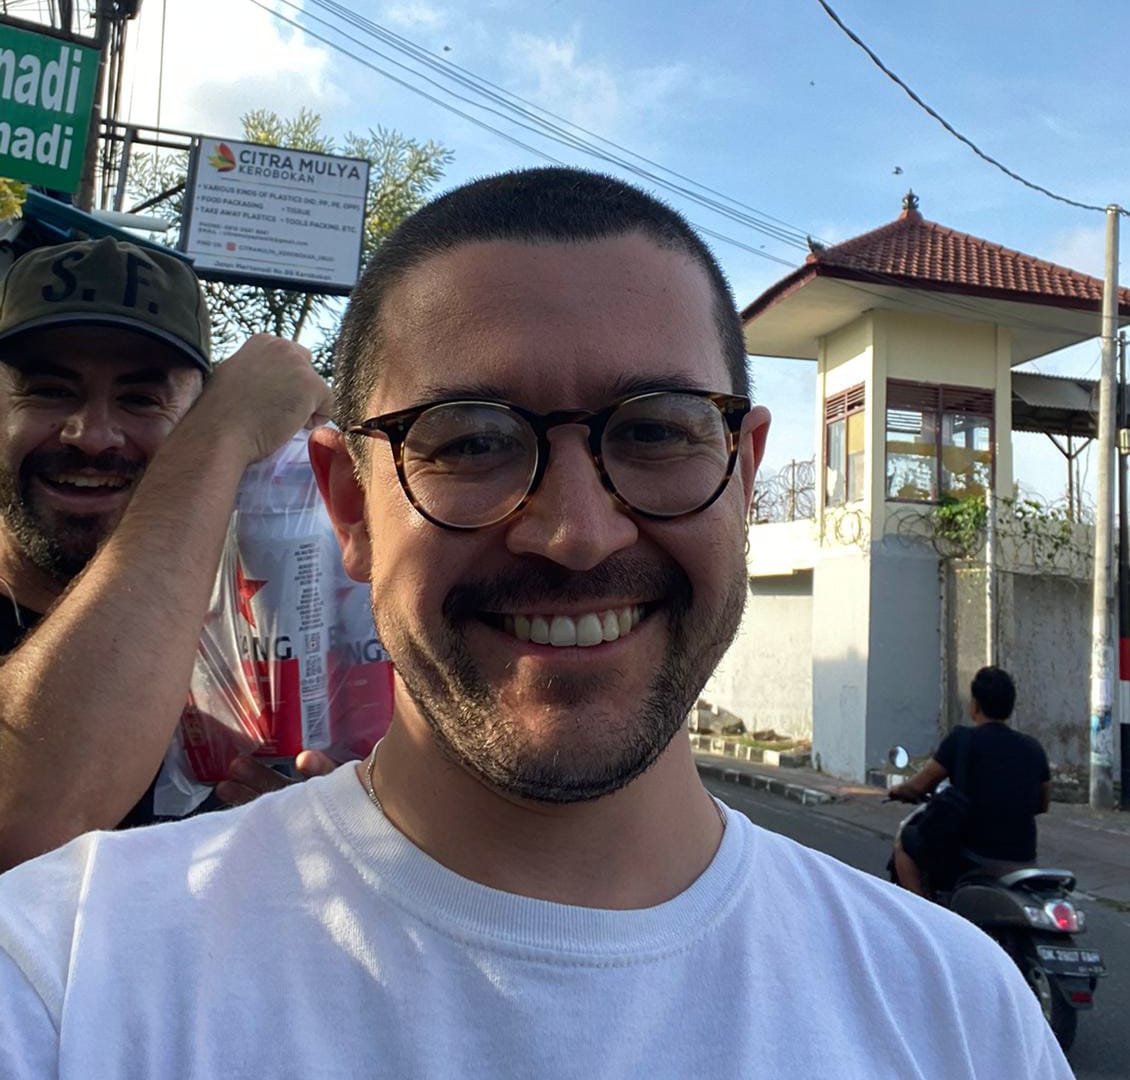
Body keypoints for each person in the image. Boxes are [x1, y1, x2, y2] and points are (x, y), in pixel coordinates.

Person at [0, 170, 1071, 1078]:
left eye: (655, 431)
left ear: (743, 479)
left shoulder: (958, 1016)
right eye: (470, 441)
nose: (576, 534)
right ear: (349, 509)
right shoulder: (68, 977)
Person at [0, 236, 334, 870]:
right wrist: (225, 430)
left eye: (142, 399)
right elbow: (24, 826)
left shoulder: (254, 625)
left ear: (191, 415)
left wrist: (305, 828)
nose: (92, 436)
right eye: (49, 390)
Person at [891, 665, 1051, 897]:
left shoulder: (962, 740)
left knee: (905, 844)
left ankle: (924, 912)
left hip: (973, 857)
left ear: (974, 705)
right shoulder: (1033, 748)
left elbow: (919, 785)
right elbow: (1043, 804)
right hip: (1024, 859)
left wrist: (897, 791)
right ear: (1010, 706)